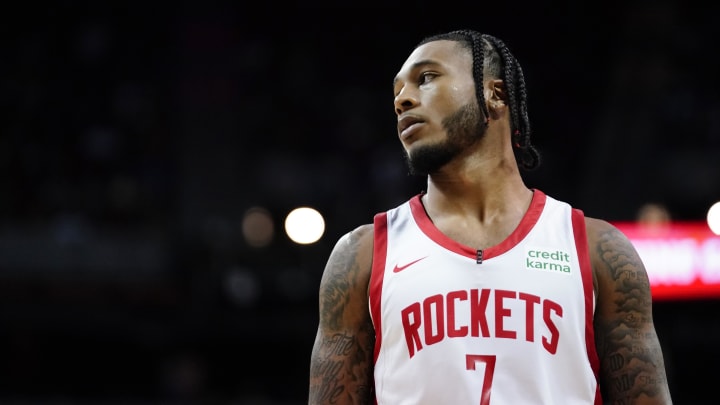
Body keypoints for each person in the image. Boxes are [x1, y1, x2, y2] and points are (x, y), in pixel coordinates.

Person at [308, 29, 673, 404]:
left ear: (495, 94)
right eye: (397, 91)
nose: (403, 100)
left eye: (426, 78)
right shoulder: (362, 255)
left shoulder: (597, 249)